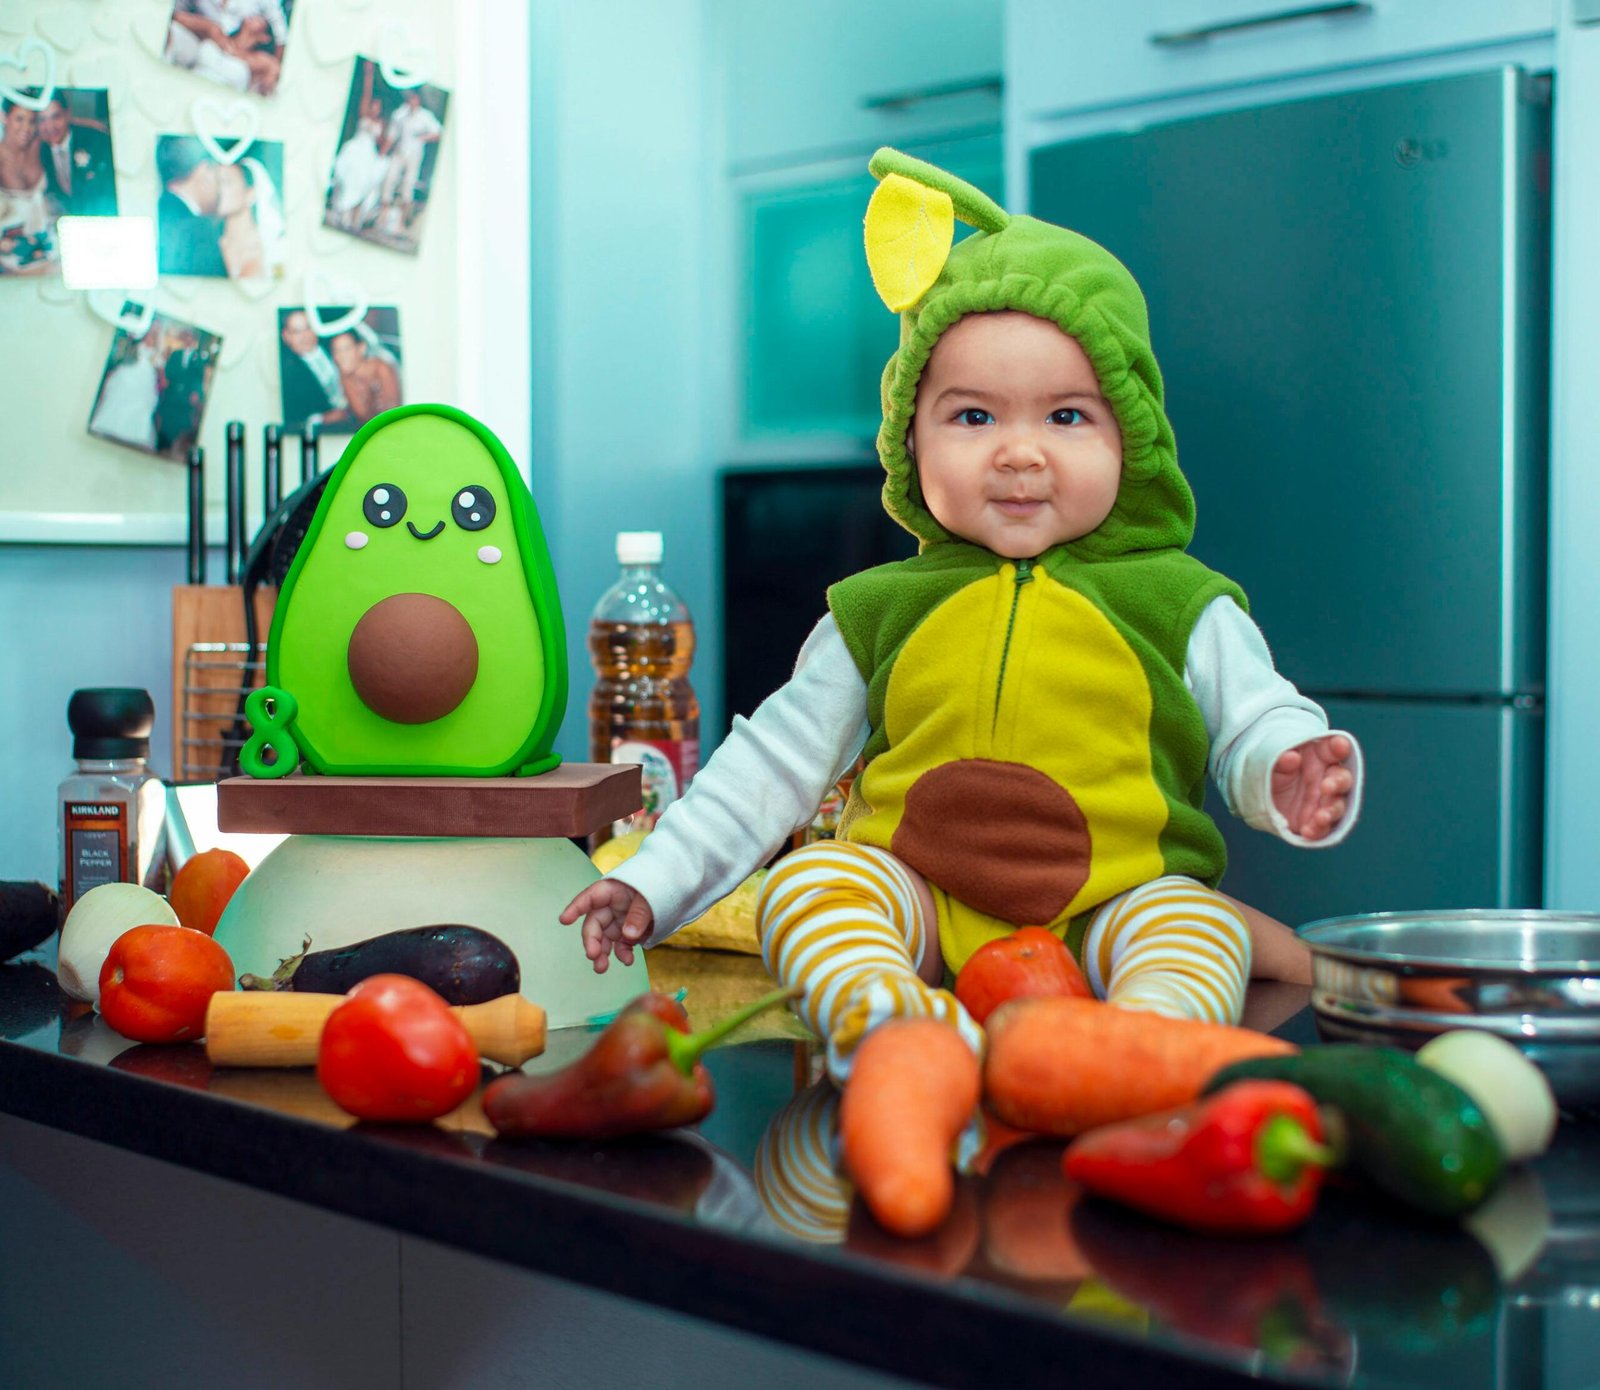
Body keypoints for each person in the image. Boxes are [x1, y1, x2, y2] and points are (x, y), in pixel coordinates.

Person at [563, 150, 1363, 1081]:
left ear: (1131, 441)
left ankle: (1139, 1046)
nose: (1020, 455)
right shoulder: (879, 611)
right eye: (974, 417)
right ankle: (893, 1024)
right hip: (923, 911)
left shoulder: (1178, 601)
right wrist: (651, 881)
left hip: (1114, 907)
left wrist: (1287, 768)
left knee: (1193, 927)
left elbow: (1257, 720)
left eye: (1066, 418)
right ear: (910, 439)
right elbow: (768, 767)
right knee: (811, 887)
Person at [156, 139, 226, 277]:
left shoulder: (158, 210)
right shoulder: (201, 230)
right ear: (204, 170)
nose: (220, 189)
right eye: (219, 179)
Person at [38, 94, 116, 217]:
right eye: (42, 120)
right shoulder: (40, 150)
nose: (49, 127)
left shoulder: (95, 140)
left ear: (67, 114)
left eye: (56, 117)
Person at [0, 99, 54, 275]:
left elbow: (68, 125)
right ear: (4, 118)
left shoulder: (38, 145)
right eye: (19, 119)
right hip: (10, 254)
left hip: (46, 246)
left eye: (32, 121)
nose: (26, 128)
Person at [90, 328, 163, 452]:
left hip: (145, 377)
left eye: (154, 335)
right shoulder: (135, 346)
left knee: (140, 404)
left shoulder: (155, 352)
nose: (152, 337)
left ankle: (135, 433)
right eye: (151, 334)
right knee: (120, 398)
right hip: (130, 372)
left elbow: (158, 364)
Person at [377, 89, 441, 232]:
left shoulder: (425, 116)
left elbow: (437, 133)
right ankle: (383, 215)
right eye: (409, 98)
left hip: (414, 154)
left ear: (418, 100)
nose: (412, 101)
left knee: (408, 185)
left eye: (414, 98)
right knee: (389, 179)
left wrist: (423, 138)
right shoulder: (400, 114)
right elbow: (392, 135)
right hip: (399, 152)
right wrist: (383, 152)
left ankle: (401, 221)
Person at [279, 309, 351, 430]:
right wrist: (325, 418)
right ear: (286, 336)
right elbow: (296, 421)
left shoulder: (335, 343)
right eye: (297, 331)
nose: (305, 336)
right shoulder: (288, 374)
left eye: (308, 327)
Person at [328, 97, 387, 231]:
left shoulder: (381, 123)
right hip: (356, 149)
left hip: (368, 155)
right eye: (374, 106)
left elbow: (381, 142)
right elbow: (365, 96)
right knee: (348, 179)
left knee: (363, 184)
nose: (375, 109)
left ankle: (355, 218)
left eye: (378, 107)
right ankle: (342, 212)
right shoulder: (364, 115)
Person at [330, 329, 400, 425]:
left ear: (361, 348)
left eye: (346, 349)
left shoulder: (381, 368)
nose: (340, 356)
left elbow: (393, 411)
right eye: (336, 351)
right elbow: (362, 416)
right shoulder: (345, 378)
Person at [154, 330, 207, 456]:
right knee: (166, 417)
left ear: (194, 341)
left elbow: (198, 378)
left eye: (191, 338)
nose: (188, 340)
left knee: (178, 421)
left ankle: (170, 444)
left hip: (185, 396)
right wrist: (166, 380)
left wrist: (196, 393)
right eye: (187, 337)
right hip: (172, 392)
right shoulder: (176, 354)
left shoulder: (198, 359)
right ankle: (161, 444)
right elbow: (169, 370)